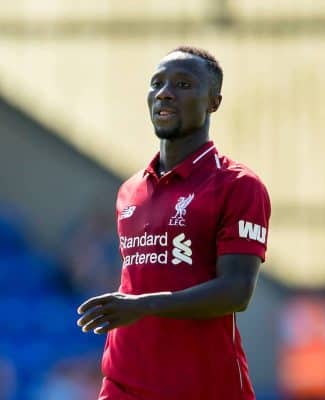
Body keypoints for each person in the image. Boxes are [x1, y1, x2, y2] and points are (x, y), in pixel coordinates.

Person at [76, 46, 271, 400]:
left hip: (204, 387)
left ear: (214, 101)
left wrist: (144, 305)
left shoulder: (238, 185)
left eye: (183, 84)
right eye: (157, 83)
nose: (165, 92)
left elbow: (237, 291)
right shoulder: (130, 191)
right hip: (124, 384)